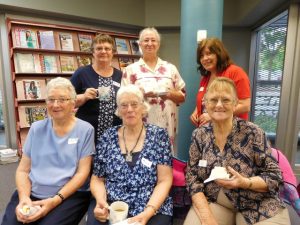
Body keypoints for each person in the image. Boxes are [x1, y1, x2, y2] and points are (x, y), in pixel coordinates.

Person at [184, 77, 290, 225]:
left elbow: (275, 177)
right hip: (217, 203)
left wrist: (244, 182)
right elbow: (192, 179)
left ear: (235, 104)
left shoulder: (253, 132)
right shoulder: (199, 135)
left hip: (258, 203)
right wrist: (207, 217)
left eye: (226, 100)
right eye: (213, 100)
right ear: (205, 104)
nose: (219, 105)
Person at [1, 77, 95, 225]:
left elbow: (82, 174)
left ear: (73, 102)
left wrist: (55, 200)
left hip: (68, 195)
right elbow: (23, 170)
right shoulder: (36, 128)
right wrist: (24, 197)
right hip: (32, 191)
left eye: (62, 99)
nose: (56, 105)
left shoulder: (85, 130)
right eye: (51, 99)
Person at [87, 85, 173, 225]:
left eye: (134, 104)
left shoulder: (159, 135)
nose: (130, 110)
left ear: (143, 107)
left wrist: (148, 212)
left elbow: (164, 180)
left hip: (150, 203)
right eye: (124, 105)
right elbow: (97, 178)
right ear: (118, 110)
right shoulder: (107, 137)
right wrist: (101, 202)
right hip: (112, 204)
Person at [122, 27, 186, 152]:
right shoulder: (130, 70)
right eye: (146, 40)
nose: (150, 44)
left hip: (167, 125)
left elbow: (183, 96)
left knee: (166, 160)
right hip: (140, 124)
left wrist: (167, 94)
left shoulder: (170, 68)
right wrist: (141, 95)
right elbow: (123, 100)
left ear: (158, 44)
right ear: (140, 44)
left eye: (153, 40)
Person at [70, 33, 122, 143]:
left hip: (114, 135)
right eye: (99, 48)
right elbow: (66, 101)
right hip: (87, 133)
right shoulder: (82, 73)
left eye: (107, 48)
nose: (103, 51)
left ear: (113, 52)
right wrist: (84, 97)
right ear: (93, 52)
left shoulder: (120, 75)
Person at [190, 37, 251, 127]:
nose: (205, 58)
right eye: (201, 56)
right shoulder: (205, 78)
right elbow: (205, 101)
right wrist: (196, 111)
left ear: (219, 54)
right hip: (207, 132)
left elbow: (245, 105)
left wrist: (213, 115)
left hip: (231, 130)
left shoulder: (236, 72)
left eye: (209, 54)